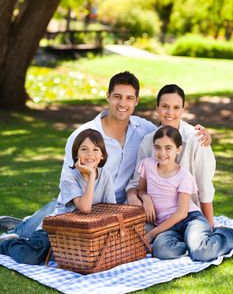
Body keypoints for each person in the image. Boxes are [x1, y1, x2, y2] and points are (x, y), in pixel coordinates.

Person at [0, 74, 210, 239]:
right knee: (42, 240)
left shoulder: (144, 130)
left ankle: (19, 223)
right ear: (108, 96)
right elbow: (69, 182)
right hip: (85, 206)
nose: (122, 103)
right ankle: (18, 230)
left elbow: (169, 132)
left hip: (122, 209)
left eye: (129, 98)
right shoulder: (84, 136)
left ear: (136, 101)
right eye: (117, 96)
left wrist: (202, 133)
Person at [0, 129, 116, 264]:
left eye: (96, 149)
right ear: (76, 154)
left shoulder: (105, 174)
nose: (90, 154)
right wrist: (91, 175)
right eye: (84, 149)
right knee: (29, 257)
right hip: (53, 230)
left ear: (102, 155)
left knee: (72, 259)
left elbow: (111, 208)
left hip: (80, 233)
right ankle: (9, 242)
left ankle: (29, 236)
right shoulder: (69, 177)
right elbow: (85, 208)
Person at [137, 126, 233, 261]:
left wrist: (152, 234)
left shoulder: (183, 176)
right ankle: (191, 241)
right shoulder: (147, 165)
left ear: (178, 149)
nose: (162, 152)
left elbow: (182, 213)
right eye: (157, 147)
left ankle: (226, 234)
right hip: (167, 226)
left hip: (190, 219)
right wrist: (145, 197)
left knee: (202, 252)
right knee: (162, 251)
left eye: (168, 148)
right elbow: (140, 189)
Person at [126, 84, 215, 227]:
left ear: (183, 109)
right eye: (165, 106)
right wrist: (136, 196)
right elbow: (136, 184)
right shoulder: (148, 141)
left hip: (187, 214)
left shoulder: (197, 139)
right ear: (157, 108)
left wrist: (210, 226)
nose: (170, 112)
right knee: (134, 239)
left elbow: (205, 188)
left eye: (176, 107)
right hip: (156, 216)